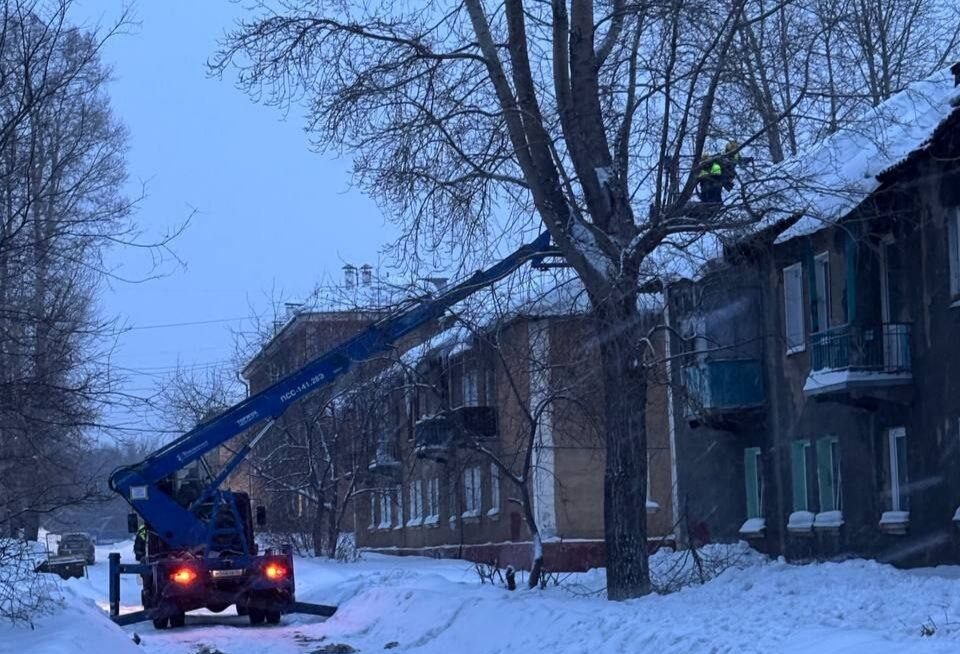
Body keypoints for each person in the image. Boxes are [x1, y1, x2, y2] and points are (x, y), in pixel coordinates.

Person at [697, 140, 751, 205]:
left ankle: (713, 204)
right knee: (710, 194)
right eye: (732, 148)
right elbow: (712, 163)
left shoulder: (733, 158)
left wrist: (748, 159)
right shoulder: (721, 157)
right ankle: (709, 204)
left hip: (719, 180)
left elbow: (741, 160)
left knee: (715, 194)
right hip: (711, 180)